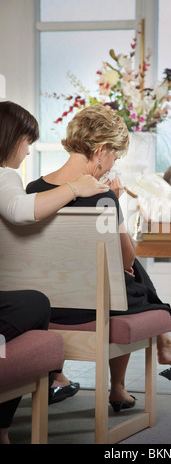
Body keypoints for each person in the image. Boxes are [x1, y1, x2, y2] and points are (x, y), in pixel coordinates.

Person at [27, 104, 171, 409]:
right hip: (90, 307)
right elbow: (125, 258)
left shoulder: (34, 189)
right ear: (102, 150)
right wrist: (116, 202)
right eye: (115, 157)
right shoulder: (102, 196)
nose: (113, 164)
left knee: (123, 280)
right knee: (128, 278)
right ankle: (125, 381)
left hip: (44, 304)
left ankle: (144, 367)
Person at [0, 100, 108, 444]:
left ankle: (52, 380)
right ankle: (7, 426)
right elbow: (20, 212)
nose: (28, 150)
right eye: (27, 141)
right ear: (12, 138)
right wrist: (78, 188)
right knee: (35, 304)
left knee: (34, 301)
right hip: (72, 303)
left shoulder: (29, 184)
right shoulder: (6, 176)